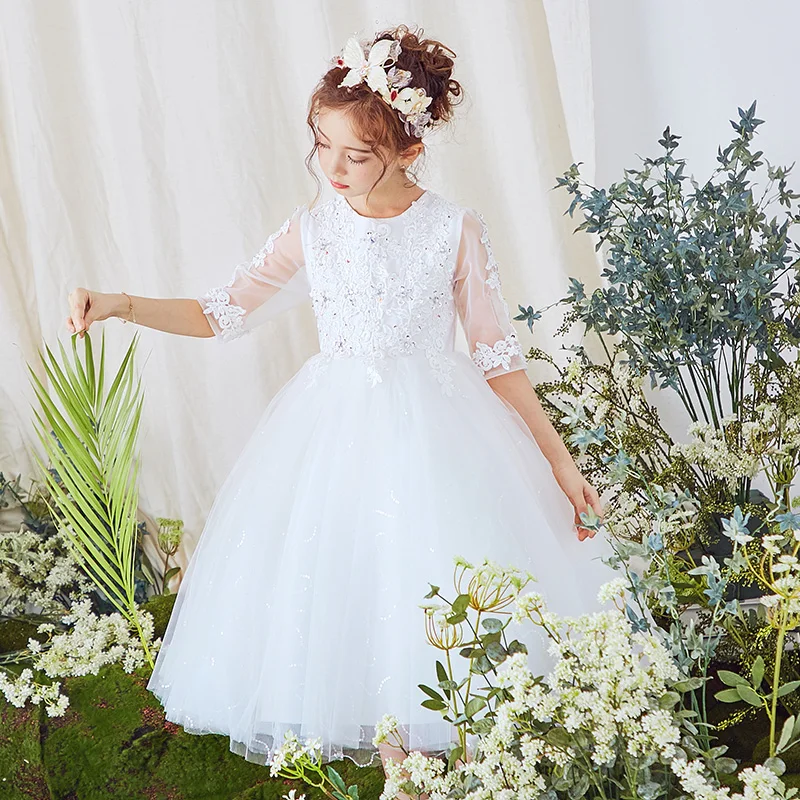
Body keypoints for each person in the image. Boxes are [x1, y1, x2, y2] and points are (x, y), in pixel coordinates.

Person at [65, 23, 616, 790]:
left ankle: (446, 761)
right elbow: (220, 311)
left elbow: (497, 357)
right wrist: (120, 302)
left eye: (356, 155)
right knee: (356, 580)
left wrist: (559, 463)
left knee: (432, 584)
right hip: (333, 436)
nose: (333, 168)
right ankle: (398, 766)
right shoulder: (313, 229)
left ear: (409, 150)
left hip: (440, 434)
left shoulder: (453, 229)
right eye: (321, 145)